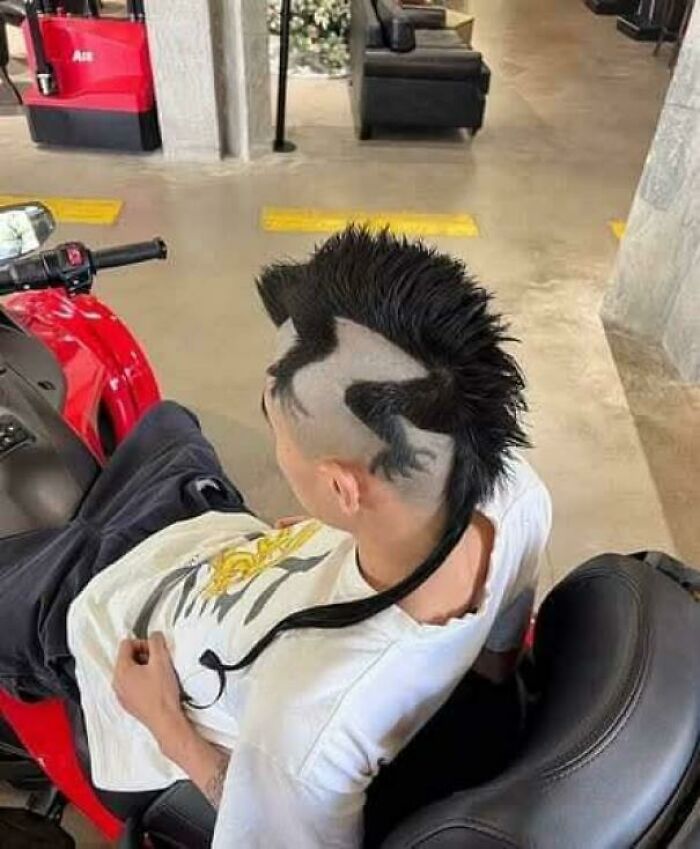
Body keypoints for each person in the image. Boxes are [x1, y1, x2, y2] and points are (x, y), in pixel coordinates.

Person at [3, 228, 551, 848]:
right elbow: (497, 658)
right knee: (168, 422)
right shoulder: (516, 495)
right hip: (229, 565)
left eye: (274, 418)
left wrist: (166, 725)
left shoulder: (307, 720)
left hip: (112, 624)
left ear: (345, 488)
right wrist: (338, 540)